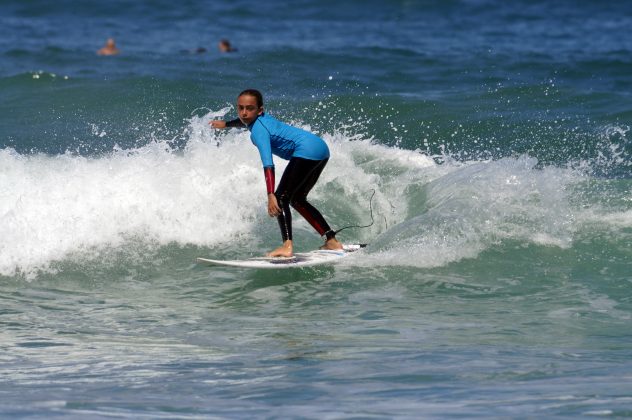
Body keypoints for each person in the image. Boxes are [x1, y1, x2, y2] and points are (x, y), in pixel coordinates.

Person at [209, 89, 343, 257]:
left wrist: (271, 194)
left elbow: (268, 163)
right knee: (297, 199)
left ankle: (287, 247)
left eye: (249, 108)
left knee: (281, 198)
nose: (244, 112)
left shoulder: (259, 131)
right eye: (240, 107)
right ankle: (331, 241)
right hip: (320, 149)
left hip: (306, 151)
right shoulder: (259, 120)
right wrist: (227, 124)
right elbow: (245, 121)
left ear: (260, 110)